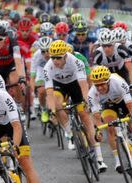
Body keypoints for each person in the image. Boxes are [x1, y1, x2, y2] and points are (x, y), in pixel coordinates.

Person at [44, 40, 108, 171]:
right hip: (59, 86)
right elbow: (49, 92)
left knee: (84, 115)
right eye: (53, 57)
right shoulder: (48, 67)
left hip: (76, 85)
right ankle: (70, 134)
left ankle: (100, 159)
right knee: (56, 104)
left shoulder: (75, 61)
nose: (55, 61)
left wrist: (86, 102)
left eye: (58, 58)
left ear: (65, 55)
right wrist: (51, 110)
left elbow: (83, 85)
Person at [88, 66, 132, 175]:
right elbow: (96, 115)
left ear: (108, 81)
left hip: (124, 102)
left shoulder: (117, 82)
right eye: (97, 85)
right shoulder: (92, 93)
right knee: (110, 128)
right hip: (108, 105)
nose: (99, 88)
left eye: (102, 84)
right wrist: (98, 131)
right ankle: (118, 160)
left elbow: (130, 105)